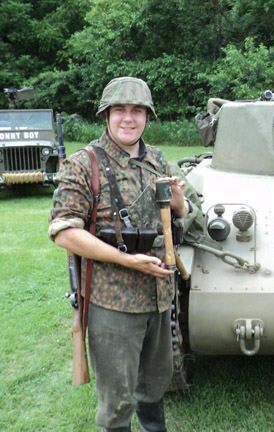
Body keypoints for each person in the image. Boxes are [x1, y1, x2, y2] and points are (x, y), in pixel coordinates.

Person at [49, 77, 191, 431]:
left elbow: (185, 211)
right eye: (120, 110)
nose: (129, 118)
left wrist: (178, 202)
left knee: (154, 384)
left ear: (147, 116)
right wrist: (126, 260)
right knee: (117, 397)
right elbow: (64, 231)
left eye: (137, 111)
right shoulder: (84, 164)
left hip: (159, 295)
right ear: (106, 115)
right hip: (113, 302)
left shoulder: (158, 159)